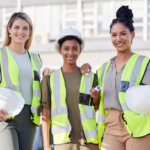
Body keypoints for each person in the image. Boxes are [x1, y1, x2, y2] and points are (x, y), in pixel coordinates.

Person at [81, 6, 150, 150]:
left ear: (132, 35)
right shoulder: (104, 69)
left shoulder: (144, 63)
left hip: (139, 128)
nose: (118, 39)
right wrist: (95, 96)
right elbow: (96, 103)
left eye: (123, 33)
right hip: (111, 128)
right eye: (114, 35)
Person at [40, 27, 100, 150]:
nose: (70, 53)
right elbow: (46, 113)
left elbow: (96, 106)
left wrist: (96, 98)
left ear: (80, 50)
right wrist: (46, 145)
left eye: (75, 48)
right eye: (66, 49)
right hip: (63, 143)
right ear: (59, 50)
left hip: (89, 141)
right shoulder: (49, 78)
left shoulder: (90, 76)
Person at [0, 12, 50, 150]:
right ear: (9, 30)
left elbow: (37, 86)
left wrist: (48, 74)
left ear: (29, 32)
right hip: (5, 117)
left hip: (29, 117)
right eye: (16, 27)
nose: (20, 32)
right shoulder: (1, 55)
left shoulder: (36, 59)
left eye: (25, 28)